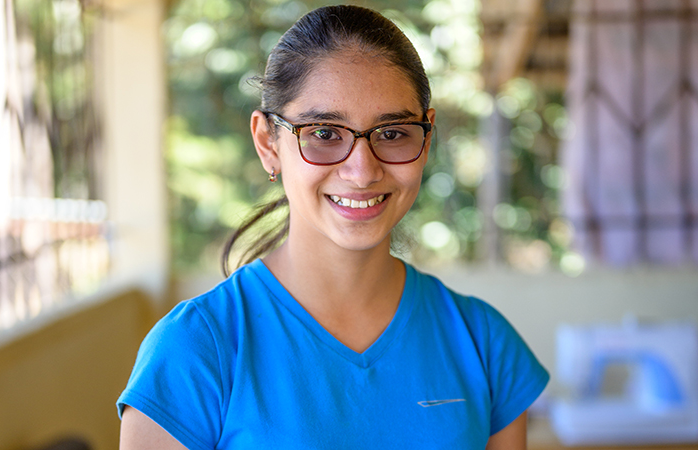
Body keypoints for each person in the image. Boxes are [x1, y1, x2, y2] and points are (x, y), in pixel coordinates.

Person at [117, 5, 549, 449]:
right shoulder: (194, 351)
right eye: (324, 133)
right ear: (268, 143)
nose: (362, 171)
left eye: (393, 132)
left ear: (426, 138)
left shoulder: (483, 343)